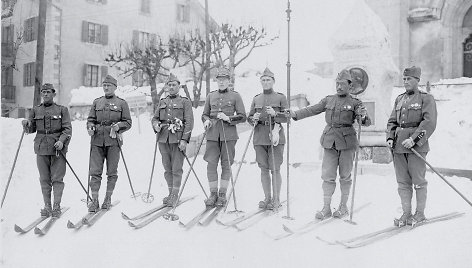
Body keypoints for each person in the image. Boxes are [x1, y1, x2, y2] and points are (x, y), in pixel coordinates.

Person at [290, 69, 371, 219]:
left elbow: (365, 122)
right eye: (337, 84)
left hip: (347, 143)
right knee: (327, 176)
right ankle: (326, 208)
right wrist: (296, 114)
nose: (339, 87)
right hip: (329, 142)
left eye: (342, 84)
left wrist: (363, 116)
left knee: (345, 176)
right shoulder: (328, 100)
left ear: (349, 85)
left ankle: (343, 206)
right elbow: (313, 109)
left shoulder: (355, 102)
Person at [387, 66, 437, 226]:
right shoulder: (399, 99)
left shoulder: (426, 98)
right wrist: (389, 137)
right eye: (404, 79)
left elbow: (429, 122)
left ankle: (420, 214)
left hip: (416, 147)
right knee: (402, 183)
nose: (406, 81)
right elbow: (392, 121)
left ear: (417, 80)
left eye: (409, 79)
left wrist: (414, 139)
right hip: (399, 147)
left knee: (419, 181)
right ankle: (406, 214)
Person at [22, 83, 72, 218]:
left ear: (54, 94)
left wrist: (61, 141)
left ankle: (56, 206)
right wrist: (26, 125)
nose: (45, 94)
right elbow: (31, 130)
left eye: (48, 92)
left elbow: (67, 130)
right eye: (43, 92)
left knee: (57, 178)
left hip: (58, 149)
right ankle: (47, 206)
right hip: (41, 148)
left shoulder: (62, 110)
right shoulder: (35, 110)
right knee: (44, 179)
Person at [201, 67, 246, 207]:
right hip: (213, 134)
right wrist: (206, 120)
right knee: (211, 164)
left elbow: (243, 116)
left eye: (224, 80)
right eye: (219, 80)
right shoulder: (210, 96)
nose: (221, 82)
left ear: (228, 81)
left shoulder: (235, 96)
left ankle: (222, 194)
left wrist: (228, 118)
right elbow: (204, 114)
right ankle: (213, 193)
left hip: (229, 134)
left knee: (226, 164)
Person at [86, 75, 132, 212]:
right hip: (97, 140)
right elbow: (90, 120)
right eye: (104, 85)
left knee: (112, 172)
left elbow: (128, 122)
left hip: (113, 141)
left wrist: (119, 126)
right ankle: (94, 200)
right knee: (95, 172)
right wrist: (90, 127)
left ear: (115, 87)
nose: (106, 88)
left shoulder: (122, 103)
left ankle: (108, 198)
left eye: (109, 85)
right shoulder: (97, 102)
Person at [247, 68, 289, 210]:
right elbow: (249, 117)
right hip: (259, 137)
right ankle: (267, 198)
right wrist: (254, 118)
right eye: (263, 80)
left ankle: (276, 199)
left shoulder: (280, 98)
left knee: (275, 168)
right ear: (261, 82)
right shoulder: (256, 98)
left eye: (268, 80)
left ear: (273, 82)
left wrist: (275, 113)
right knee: (263, 169)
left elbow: (287, 117)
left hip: (275, 137)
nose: (266, 82)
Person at [151, 73, 194, 207]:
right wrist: (155, 125)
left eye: (173, 85)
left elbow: (189, 122)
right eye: (169, 85)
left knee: (176, 168)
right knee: (167, 168)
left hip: (177, 140)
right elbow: (155, 118)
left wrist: (184, 140)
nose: (171, 87)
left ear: (179, 86)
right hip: (163, 139)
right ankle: (170, 193)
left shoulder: (185, 102)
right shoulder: (163, 101)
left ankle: (175, 195)